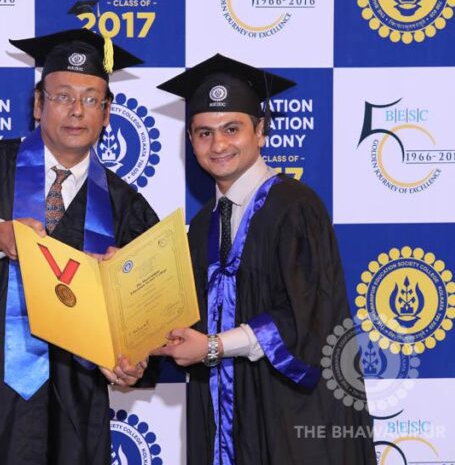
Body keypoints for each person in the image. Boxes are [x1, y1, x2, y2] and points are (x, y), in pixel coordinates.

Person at [0, 29, 159, 465]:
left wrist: (133, 358)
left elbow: (150, 320)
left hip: (72, 410)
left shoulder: (125, 205)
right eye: (62, 96)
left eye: (91, 99)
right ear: (38, 104)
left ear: (107, 113)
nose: (76, 110)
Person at [153, 54, 376, 464]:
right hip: (222, 419)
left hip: (293, 417)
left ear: (260, 131)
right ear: (190, 140)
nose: (218, 145)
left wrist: (215, 346)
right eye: (204, 133)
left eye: (231, 129)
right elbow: (186, 320)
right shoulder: (201, 226)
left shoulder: (295, 207)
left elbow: (309, 317)